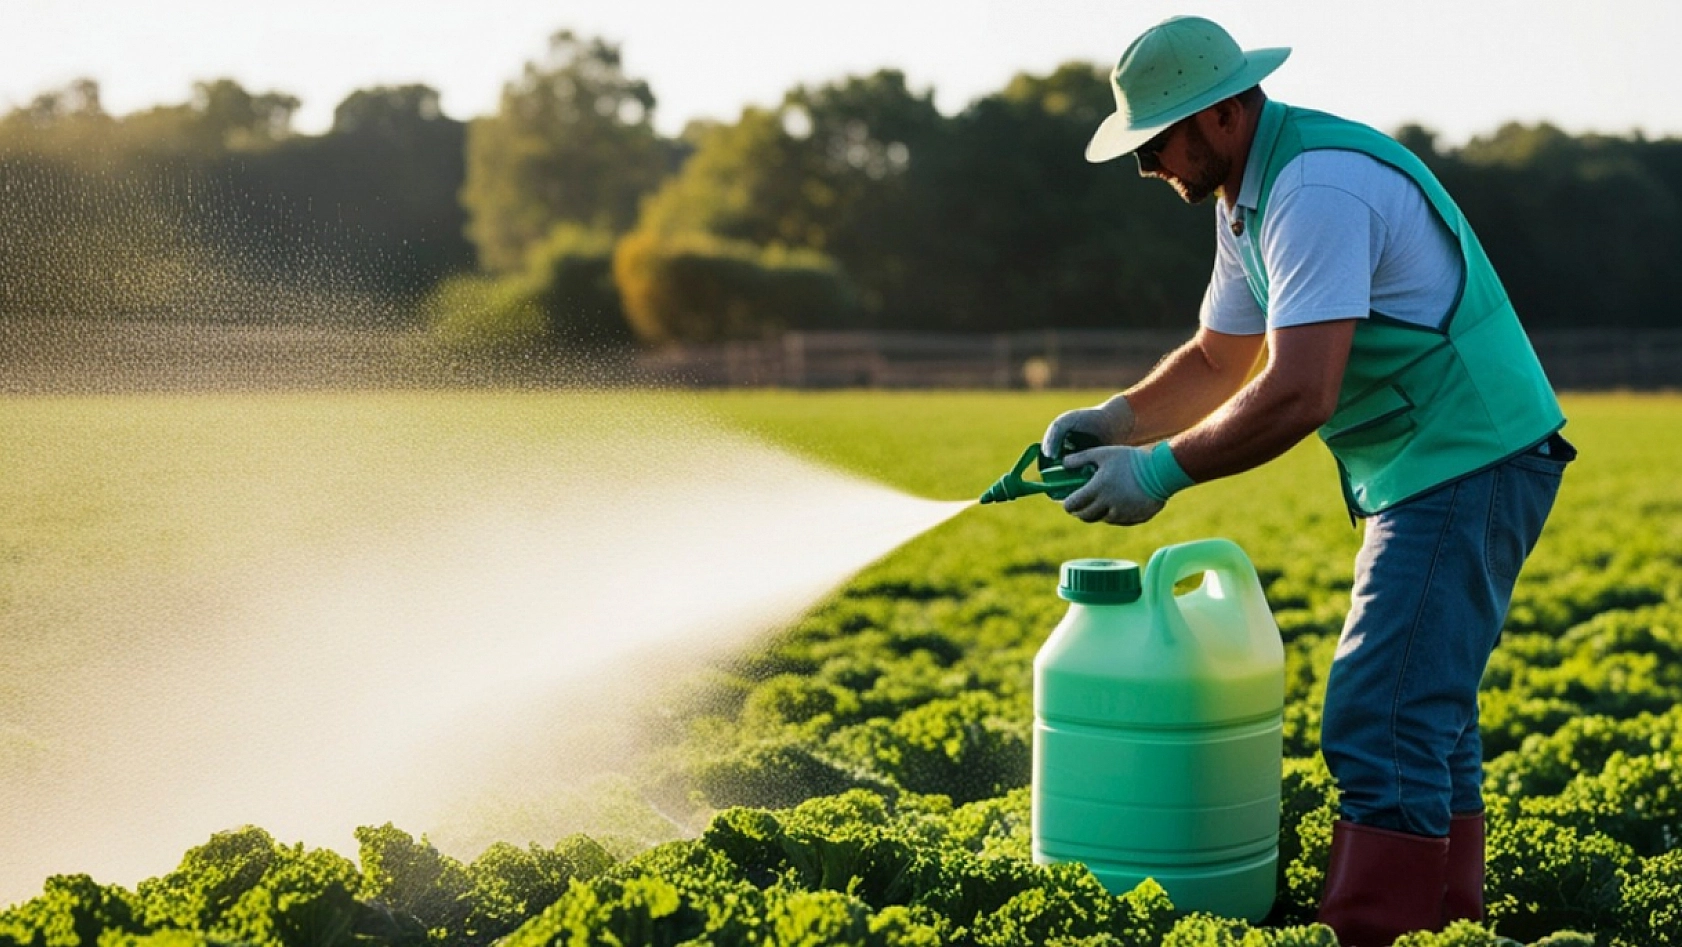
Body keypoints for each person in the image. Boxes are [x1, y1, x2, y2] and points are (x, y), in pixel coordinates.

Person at [1039, 15, 1574, 946]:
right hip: (1430, 462)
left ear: (1223, 113)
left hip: (1468, 451)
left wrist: (1156, 471)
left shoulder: (1314, 188)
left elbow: (1299, 390)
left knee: (1381, 712)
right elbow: (1220, 359)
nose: (1146, 165)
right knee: (1426, 713)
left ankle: (1375, 929)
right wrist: (1115, 421)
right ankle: (1445, 924)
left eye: (1156, 140)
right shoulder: (1245, 197)